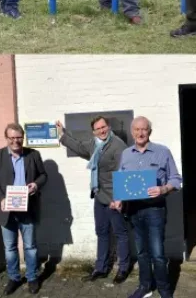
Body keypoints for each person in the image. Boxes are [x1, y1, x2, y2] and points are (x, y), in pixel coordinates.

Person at [56, 117, 130, 283]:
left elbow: (123, 172)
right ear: (94, 132)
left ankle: (123, 268)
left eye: (104, 127)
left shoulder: (118, 145)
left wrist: (119, 198)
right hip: (99, 195)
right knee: (102, 233)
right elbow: (80, 147)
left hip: (114, 198)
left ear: (108, 127)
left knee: (120, 234)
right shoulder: (94, 144)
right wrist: (62, 135)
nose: (102, 131)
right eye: (98, 129)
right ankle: (101, 268)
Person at [116, 117, 182, 298]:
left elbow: (176, 179)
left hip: (155, 210)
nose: (140, 133)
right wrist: (119, 199)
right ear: (132, 132)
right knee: (141, 252)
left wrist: (163, 188)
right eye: (136, 129)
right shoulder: (126, 154)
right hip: (134, 210)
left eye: (144, 129)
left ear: (149, 132)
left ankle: (164, 289)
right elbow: (122, 181)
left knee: (158, 254)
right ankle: (145, 286)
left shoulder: (162, 152)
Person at [0, 123, 47, 295]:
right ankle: (14, 278)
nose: (15, 141)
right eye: (12, 138)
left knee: (30, 246)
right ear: (7, 138)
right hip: (7, 210)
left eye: (18, 137)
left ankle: (32, 277)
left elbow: (43, 175)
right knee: (10, 248)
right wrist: (1, 198)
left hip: (28, 208)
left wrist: (36, 184)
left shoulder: (33, 154)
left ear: (23, 137)